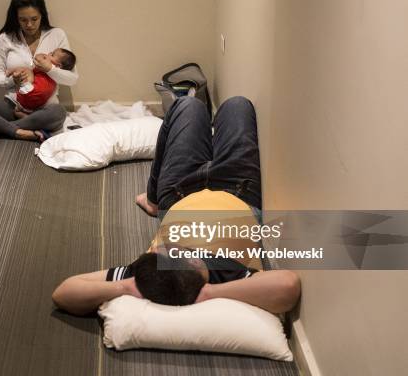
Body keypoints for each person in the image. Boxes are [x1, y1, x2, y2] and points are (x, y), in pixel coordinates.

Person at [52, 96, 301, 316]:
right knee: (238, 105)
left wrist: (127, 286)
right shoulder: (229, 274)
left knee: (187, 104)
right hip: (237, 189)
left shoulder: (149, 274)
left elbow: (64, 292)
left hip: (179, 191)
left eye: (164, 249)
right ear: (195, 264)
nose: (169, 244)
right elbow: (287, 285)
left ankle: (153, 200)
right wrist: (210, 294)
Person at [0, 0, 78, 141]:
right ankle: (22, 132)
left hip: (46, 108)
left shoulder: (57, 35)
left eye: (34, 19)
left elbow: (72, 79)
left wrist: (49, 69)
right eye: (23, 20)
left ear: (42, 16)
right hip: (14, 105)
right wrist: (13, 81)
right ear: (15, 18)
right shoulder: (5, 38)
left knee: (58, 113)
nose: (29, 24)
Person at [7, 48, 77, 117]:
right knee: (26, 71)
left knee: (27, 71)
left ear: (58, 66)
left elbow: (37, 58)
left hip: (33, 93)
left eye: (52, 54)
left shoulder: (52, 69)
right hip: (32, 100)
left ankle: (23, 83)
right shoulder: (51, 74)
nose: (49, 54)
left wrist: (48, 65)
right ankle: (27, 118)